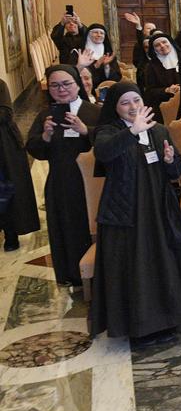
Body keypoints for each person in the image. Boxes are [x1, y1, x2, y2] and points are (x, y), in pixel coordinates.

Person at [89, 83, 181, 345]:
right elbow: (105, 152)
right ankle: (137, 325)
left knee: (163, 264)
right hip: (125, 212)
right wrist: (132, 132)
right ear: (115, 107)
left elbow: (176, 172)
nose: (133, 106)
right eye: (125, 102)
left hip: (158, 209)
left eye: (136, 100)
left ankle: (169, 320)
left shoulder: (159, 130)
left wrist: (171, 162)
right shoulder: (108, 131)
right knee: (133, 267)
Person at [26, 66, 101, 285]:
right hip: (61, 182)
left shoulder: (94, 112)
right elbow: (34, 149)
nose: (61, 89)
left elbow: (111, 141)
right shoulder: (45, 115)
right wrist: (46, 136)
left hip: (94, 183)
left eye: (67, 83)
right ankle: (73, 274)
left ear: (78, 83)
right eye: (55, 85)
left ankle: (98, 274)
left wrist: (87, 131)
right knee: (66, 228)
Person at [0, 77, 40, 251]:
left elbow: (4, 114)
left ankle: (11, 233)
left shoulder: (0, 85)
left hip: (3, 146)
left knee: (6, 190)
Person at [143, 32, 181, 122]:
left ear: (170, 43)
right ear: (154, 50)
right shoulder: (151, 67)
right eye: (157, 45)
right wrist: (167, 90)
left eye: (164, 42)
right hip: (162, 106)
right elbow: (150, 91)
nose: (162, 46)